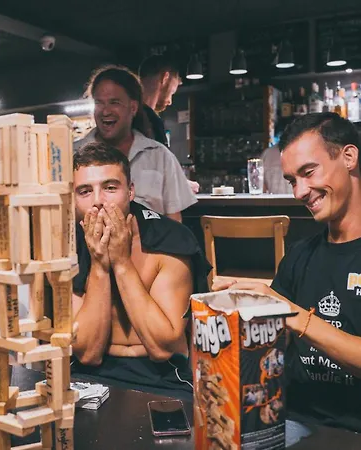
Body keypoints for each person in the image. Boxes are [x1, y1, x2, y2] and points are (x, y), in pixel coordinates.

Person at [213, 112, 361, 432]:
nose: (299, 192)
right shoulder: (299, 255)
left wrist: (292, 314)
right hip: (293, 421)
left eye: (308, 172)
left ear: (349, 157)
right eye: (293, 180)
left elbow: (291, 316)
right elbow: (270, 349)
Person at [71, 142, 210, 399]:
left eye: (110, 188)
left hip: (163, 377)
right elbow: (88, 353)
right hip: (88, 376)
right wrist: (100, 264)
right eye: (85, 191)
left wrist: (122, 262)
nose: (98, 201)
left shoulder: (169, 239)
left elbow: (162, 348)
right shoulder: (68, 248)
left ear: (131, 191)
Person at [75, 65, 197, 222]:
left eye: (114, 102)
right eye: (99, 103)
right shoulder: (73, 154)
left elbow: (174, 222)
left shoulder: (160, 156)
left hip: (150, 239)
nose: (105, 111)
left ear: (133, 107)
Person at [139, 55, 200, 194]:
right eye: (172, 92)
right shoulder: (149, 119)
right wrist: (180, 185)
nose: (170, 101)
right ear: (164, 78)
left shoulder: (129, 114)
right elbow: (152, 169)